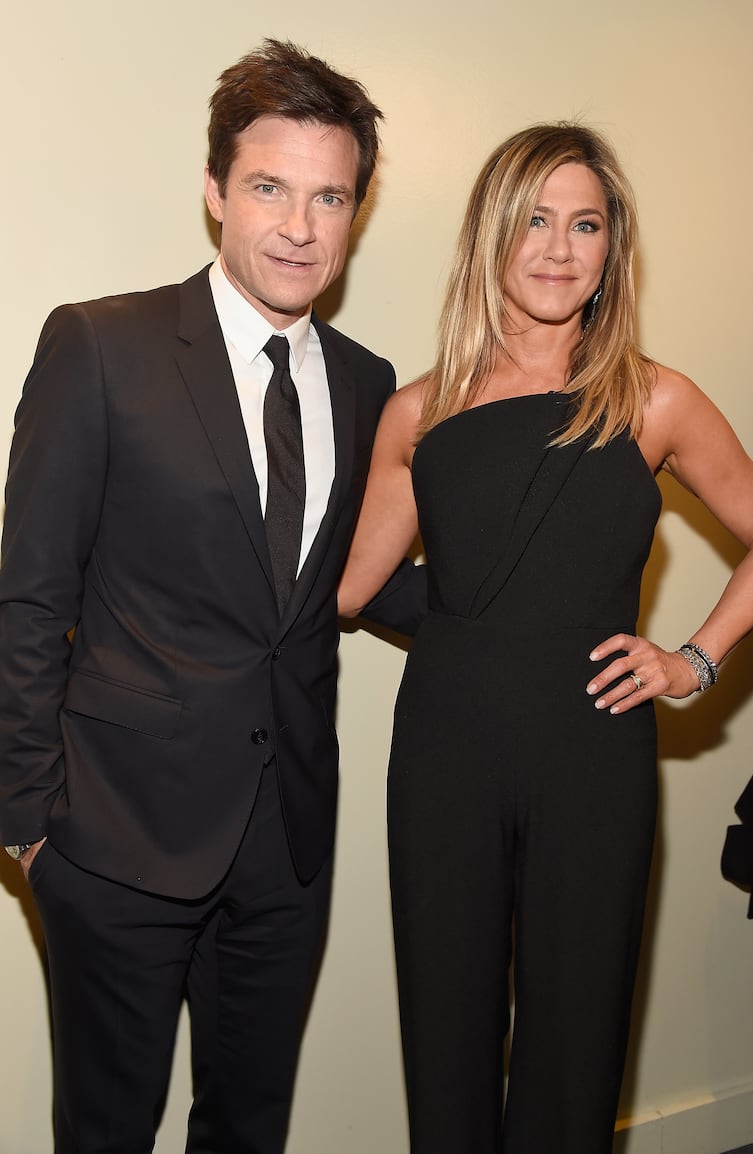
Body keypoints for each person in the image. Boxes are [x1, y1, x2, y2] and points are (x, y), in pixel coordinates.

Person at [338, 123, 753, 1154]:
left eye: (583, 223)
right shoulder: (419, 409)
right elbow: (351, 586)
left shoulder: (652, 397)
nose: (557, 247)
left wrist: (692, 659)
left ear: (610, 246)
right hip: (445, 752)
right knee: (444, 1033)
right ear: (489, 238)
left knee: (574, 1038)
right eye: (534, 220)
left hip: (593, 754)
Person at [0, 38, 423, 1154]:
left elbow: (346, 585)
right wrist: (28, 826)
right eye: (269, 187)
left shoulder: (369, 383)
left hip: (285, 844)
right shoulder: (100, 345)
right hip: (113, 840)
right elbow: (28, 596)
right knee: (107, 1131)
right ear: (213, 193)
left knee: (248, 1127)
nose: (299, 224)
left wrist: (555, 626)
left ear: (356, 210)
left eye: (330, 195)